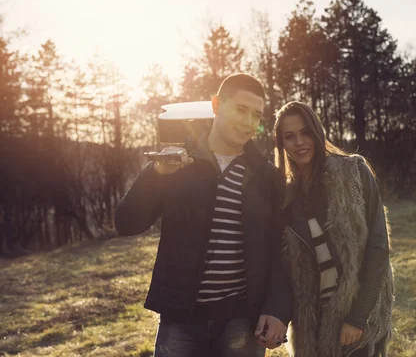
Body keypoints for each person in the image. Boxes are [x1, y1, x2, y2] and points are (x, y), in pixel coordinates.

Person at [115, 73, 291, 356]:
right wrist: (156, 175)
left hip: (241, 320)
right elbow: (126, 223)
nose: (248, 123)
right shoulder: (180, 164)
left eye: (256, 115)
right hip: (180, 318)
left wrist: (277, 309)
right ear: (216, 105)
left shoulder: (267, 177)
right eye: (240, 110)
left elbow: (281, 251)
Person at [273, 101, 394, 357]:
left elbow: (379, 248)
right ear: (281, 143)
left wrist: (357, 317)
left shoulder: (354, 172)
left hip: (355, 315)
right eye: (289, 136)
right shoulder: (284, 196)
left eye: (306, 132)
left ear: (318, 132)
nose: (299, 142)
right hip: (310, 323)